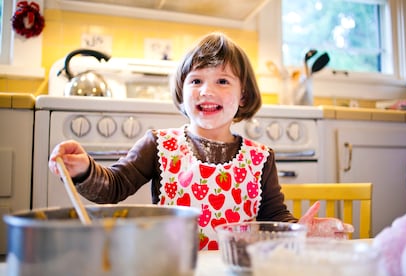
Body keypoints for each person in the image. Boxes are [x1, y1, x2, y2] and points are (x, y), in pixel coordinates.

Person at [49, 32, 353, 250]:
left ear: (243, 95)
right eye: (196, 80)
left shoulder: (260, 158)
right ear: (182, 91)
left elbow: (274, 218)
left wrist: (301, 231)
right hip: (176, 268)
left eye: (222, 81)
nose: (206, 90)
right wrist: (85, 169)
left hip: (238, 270)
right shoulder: (158, 146)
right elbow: (113, 186)